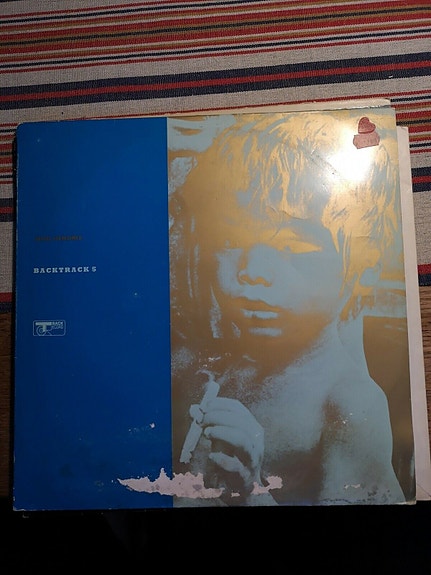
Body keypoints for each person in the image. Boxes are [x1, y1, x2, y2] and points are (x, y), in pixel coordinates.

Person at [168, 110, 413, 506]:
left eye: (293, 244)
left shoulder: (349, 403)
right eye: (231, 241)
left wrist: (252, 491)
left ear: (364, 267)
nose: (253, 271)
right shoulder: (211, 369)